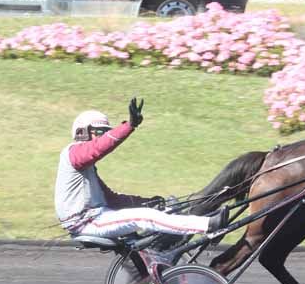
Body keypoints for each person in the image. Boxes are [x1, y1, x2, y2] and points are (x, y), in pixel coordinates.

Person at [54, 98, 227, 239]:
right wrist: (129, 126)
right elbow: (98, 149)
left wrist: (148, 202)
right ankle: (208, 226)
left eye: (105, 133)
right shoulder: (73, 153)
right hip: (86, 224)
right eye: (100, 133)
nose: (103, 137)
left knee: (162, 212)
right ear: (82, 133)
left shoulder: (87, 170)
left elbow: (112, 199)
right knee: (143, 217)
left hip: (100, 216)